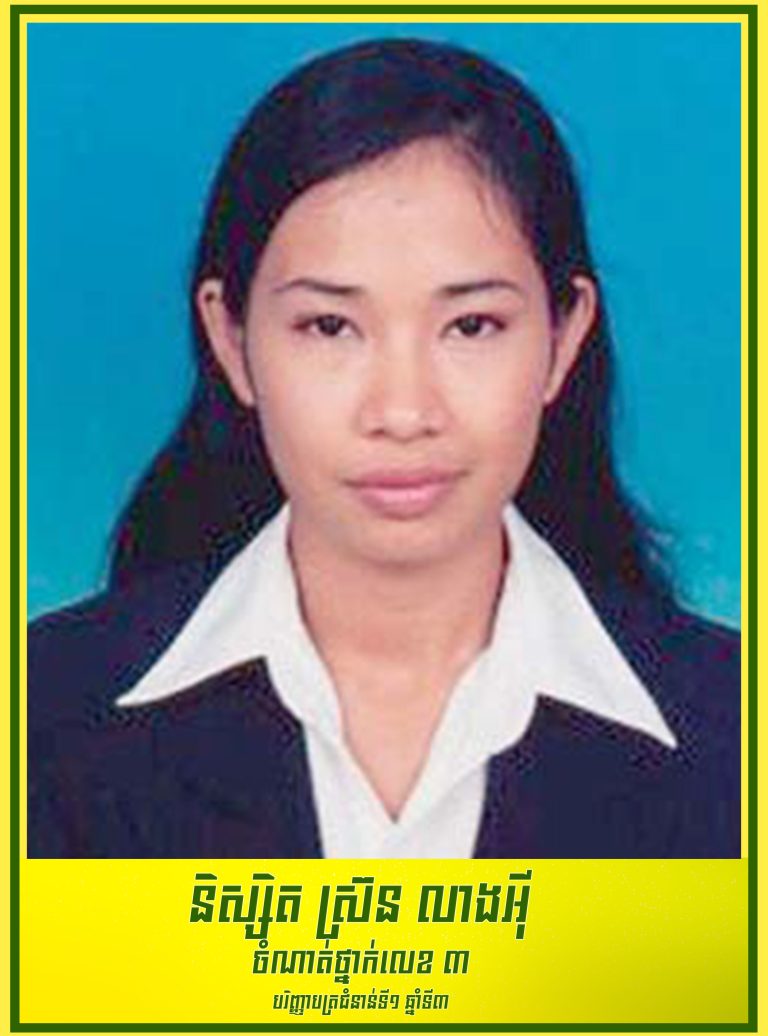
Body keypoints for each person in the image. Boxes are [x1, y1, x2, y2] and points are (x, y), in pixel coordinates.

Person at [28, 38, 739, 859]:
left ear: (563, 337)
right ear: (232, 342)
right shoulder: (41, 712)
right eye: (330, 326)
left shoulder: (733, 727)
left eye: (472, 326)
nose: (403, 412)